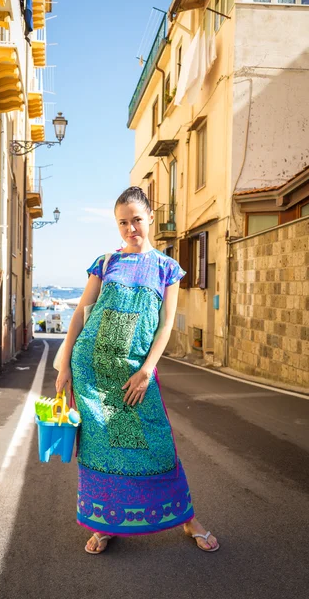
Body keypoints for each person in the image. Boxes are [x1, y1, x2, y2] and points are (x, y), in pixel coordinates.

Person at [56, 186, 219, 555]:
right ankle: (104, 524)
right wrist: (65, 365)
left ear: (150, 219)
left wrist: (147, 371)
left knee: (156, 446)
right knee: (101, 449)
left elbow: (164, 326)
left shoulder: (166, 267)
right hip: (92, 374)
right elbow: (81, 314)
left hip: (134, 376)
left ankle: (187, 518)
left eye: (137, 220)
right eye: (123, 223)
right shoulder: (106, 262)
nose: (131, 228)